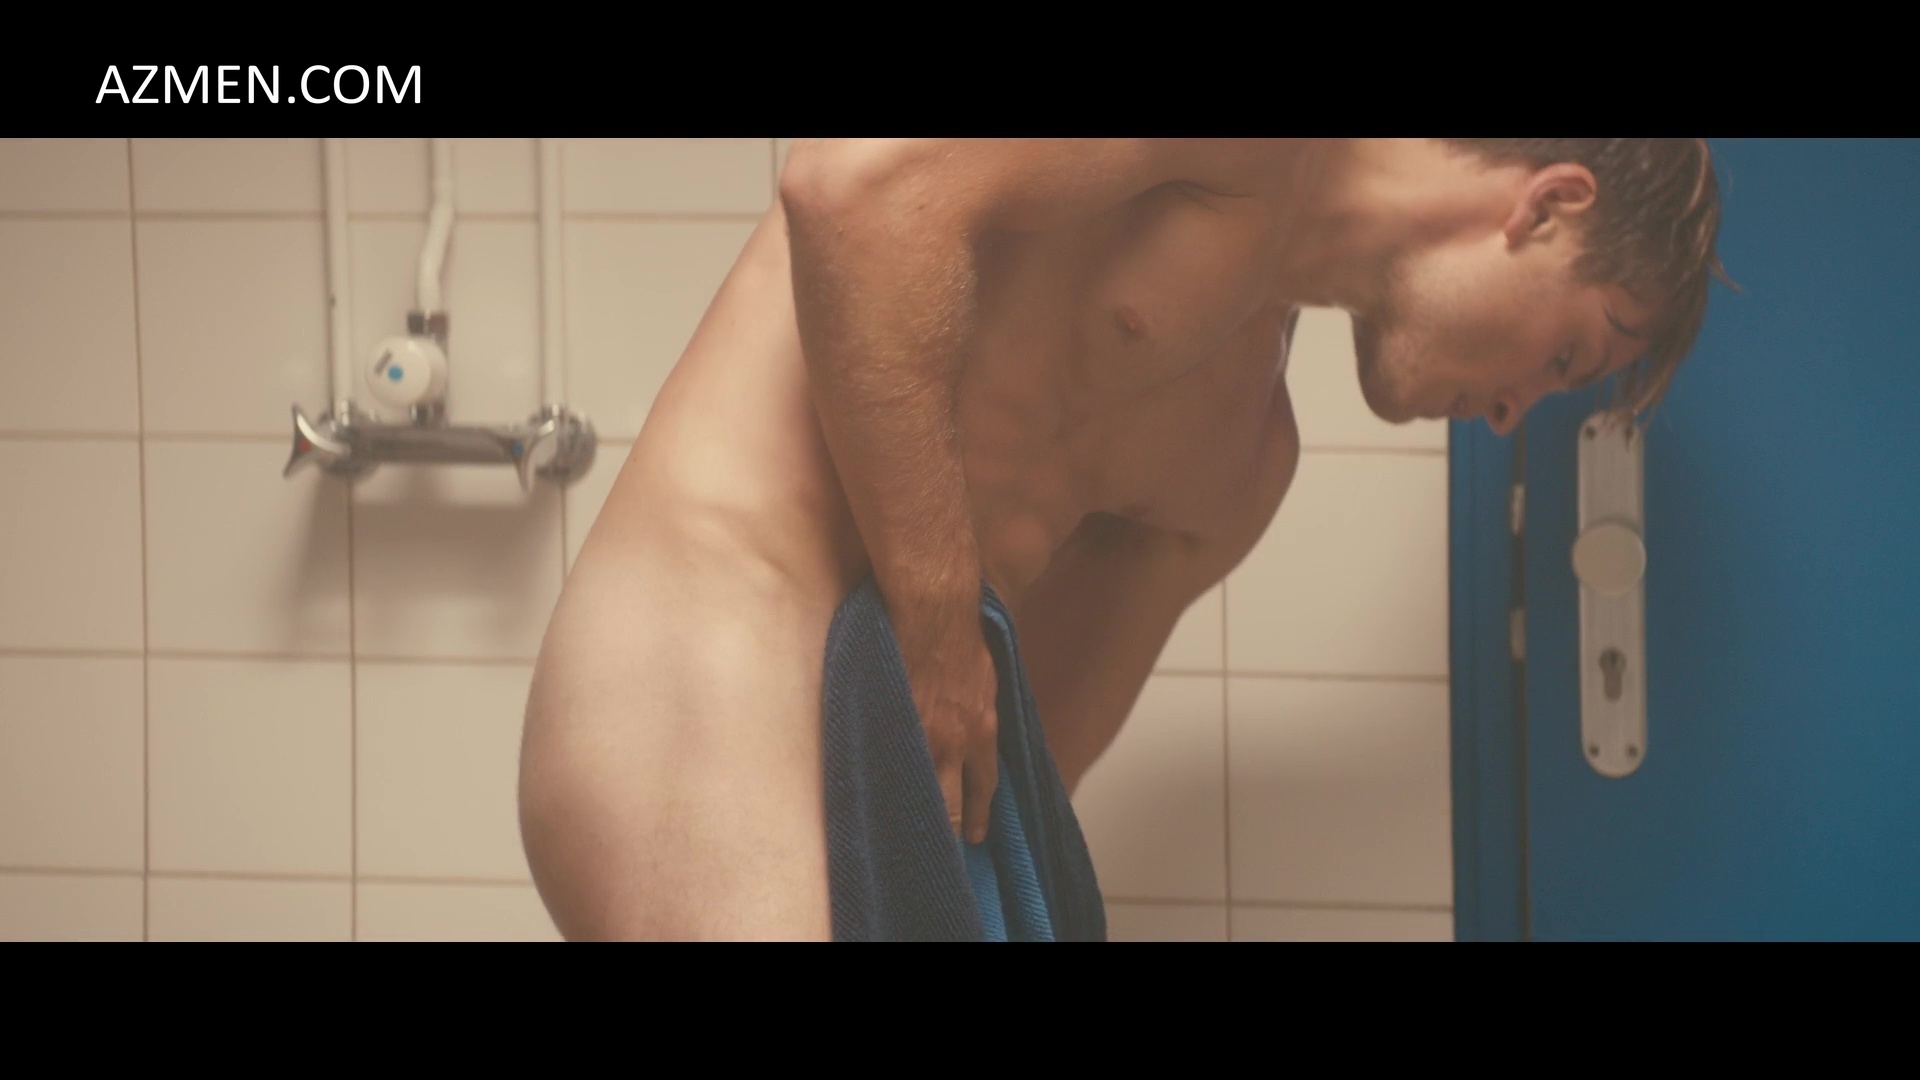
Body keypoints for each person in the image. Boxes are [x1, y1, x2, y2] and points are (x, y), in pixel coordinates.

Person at [517, 138, 1727, 941]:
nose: (1517, 411)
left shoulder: (1239, 466)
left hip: (870, 752)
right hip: (715, 627)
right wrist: (937, 631)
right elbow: (857, 193)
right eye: (1566, 353)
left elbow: (1011, 783)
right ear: (1549, 205)